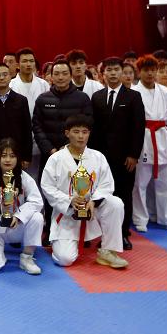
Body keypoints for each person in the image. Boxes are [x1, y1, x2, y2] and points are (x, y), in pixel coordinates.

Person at [41, 114, 128, 269]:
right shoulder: (56, 159)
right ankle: (60, 241)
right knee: (65, 260)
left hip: (92, 210)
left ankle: (108, 251)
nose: (81, 136)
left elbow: (107, 184)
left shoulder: (98, 157)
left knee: (116, 203)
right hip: (68, 214)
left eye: (85, 132)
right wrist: (69, 200)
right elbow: (47, 186)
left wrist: (94, 201)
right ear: (67, 133)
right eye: (76, 132)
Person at [32, 59, 94, 242]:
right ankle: (50, 229)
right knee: (51, 192)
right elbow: (37, 127)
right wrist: (50, 150)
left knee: (79, 191)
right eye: (56, 74)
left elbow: (88, 124)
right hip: (50, 155)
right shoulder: (43, 99)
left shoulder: (82, 98)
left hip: (76, 155)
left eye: (64, 73)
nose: (60, 77)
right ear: (50, 76)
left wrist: (70, 149)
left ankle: (83, 230)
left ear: (70, 75)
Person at [89, 57, 145, 251]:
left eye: (116, 70)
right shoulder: (97, 97)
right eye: (109, 70)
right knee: (101, 195)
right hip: (101, 157)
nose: (113, 73)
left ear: (122, 72)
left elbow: (138, 128)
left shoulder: (133, 97)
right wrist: (92, 156)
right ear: (103, 74)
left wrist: (134, 154)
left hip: (125, 158)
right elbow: (93, 129)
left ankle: (123, 234)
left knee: (124, 195)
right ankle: (103, 234)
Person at [0, 138, 44, 275]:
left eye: (12, 156)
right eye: (4, 155)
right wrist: (1, 207)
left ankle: (27, 257)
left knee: (37, 217)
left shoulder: (25, 178)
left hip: (16, 227)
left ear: (18, 158)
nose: (8, 160)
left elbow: (37, 202)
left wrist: (18, 217)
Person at [130, 55, 167, 232]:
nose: (150, 73)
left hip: (162, 137)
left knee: (166, 182)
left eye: (153, 70)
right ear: (139, 72)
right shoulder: (133, 92)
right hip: (142, 137)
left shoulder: (166, 93)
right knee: (140, 183)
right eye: (146, 70)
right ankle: (140, 218)